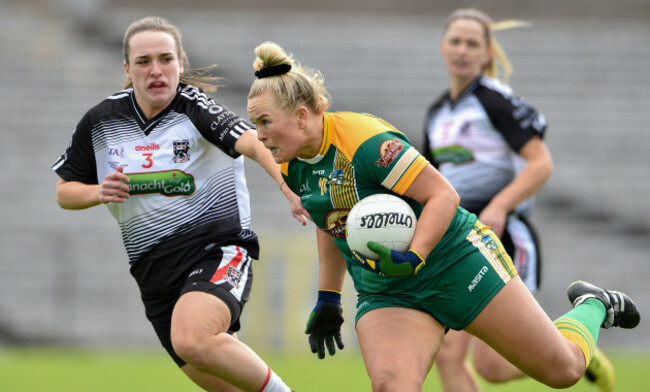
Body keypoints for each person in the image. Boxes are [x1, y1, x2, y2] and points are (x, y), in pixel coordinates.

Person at [246, 40, 640, 392]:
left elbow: (443, 196)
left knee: (564, 370)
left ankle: (594, 304)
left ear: (301, 116)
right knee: (391, 386)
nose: (259, 135)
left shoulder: (367, 143)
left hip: (454, 260)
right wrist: (329, 298)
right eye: (254, 124)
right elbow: (328, 222)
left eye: (265, 122)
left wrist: (414, 255)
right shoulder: (291, 165)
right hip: (388, 289)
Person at [52, 16, 307, 392]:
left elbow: (254, 142)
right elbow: (64, 191)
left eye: (165, 59)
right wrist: (97, 191)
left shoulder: (196, 108)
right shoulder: (101, 121)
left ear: (180, 64)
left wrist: (287, 188)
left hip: (216, 251)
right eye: (143, 61)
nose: (156, 70)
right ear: (127, 68)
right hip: (153, 274)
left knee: (191, 339)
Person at [421, 8, 615, 392]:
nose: (462, 50)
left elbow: (541, 163)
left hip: (503, 235)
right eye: (455, 41)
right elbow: (429, 182)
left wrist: (500, 206)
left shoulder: (495, 101)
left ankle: (577, 348)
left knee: (492, 366)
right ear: (442, 47)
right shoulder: (437, 113)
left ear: (487, 53)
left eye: (472, 43)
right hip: (457, 237)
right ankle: (570, 347)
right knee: (446, 354)